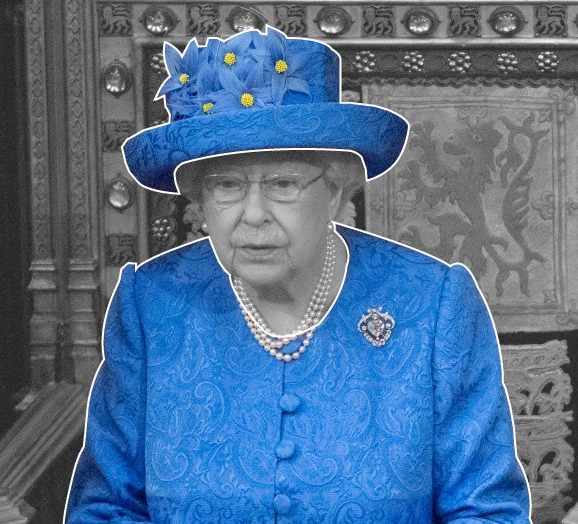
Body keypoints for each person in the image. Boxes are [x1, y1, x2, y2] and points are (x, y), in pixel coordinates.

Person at [65, 27, 531, 523]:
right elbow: (107, 506)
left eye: (283, 184)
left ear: (334, 193)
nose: (253, 214)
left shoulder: (434, 305)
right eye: (226, 186)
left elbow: (487, 511)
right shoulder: (150, 304)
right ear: (200, 203)